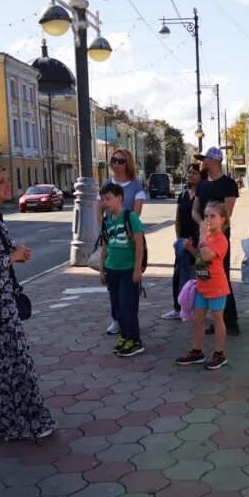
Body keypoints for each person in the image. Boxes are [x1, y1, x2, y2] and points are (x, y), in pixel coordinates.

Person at [0, 162, 54, 441]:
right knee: (11, 362)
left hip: (1, 297)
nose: (8, 185)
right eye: (1, 181)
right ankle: (20, 423)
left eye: (7, 180)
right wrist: (13, 257)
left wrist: (17, 253)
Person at [177, 202, 232, 370]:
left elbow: (207, 255)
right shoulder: (206, 237)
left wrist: (202, 237)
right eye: (206, 216)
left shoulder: (221, 239)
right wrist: (190, 249)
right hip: (202, 285)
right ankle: (197, 352)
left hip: (216, 287)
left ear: (223, 219)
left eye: (213, 216)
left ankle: (220, 354)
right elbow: (200, 258)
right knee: (198, 319)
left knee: (217, 320)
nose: (208, 219)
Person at [194, 146, 241, 336]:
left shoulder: (228, 184)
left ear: (212, 161)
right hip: (203, 238)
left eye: (203, 159)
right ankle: (217, 319)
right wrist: (202, 226)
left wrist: (212, 230)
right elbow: (195, 210)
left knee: (222, 278)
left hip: (220, 240)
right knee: (206, 276)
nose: (201, 163)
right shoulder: (203, 185)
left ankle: (231, 320)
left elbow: (226, 215)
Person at [101, 149, 145, 335]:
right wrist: (105, 225)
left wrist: (122, 219)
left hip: (128, 234)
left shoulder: (135, 185)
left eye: (120, 160)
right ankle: (117, 320)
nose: (116, 163)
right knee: (114, 290)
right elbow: (99, 210)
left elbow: (137, 212)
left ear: (128, 163)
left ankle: (130, 328)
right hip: (112, 237)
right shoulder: (106, 184)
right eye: (114, 160)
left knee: (128, 292)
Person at [99, 182, 146, 357]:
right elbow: (104, 245)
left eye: (108, 198)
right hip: (112, 270)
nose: (105, 202)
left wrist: (137, 269)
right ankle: (124, 336)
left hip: (128, 270)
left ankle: (135, 340)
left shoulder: (130, 216)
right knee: (117, 306)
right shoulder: (106, 220)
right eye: (103, 199)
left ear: (119, 198)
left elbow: (139, 245)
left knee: (128, 306)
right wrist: (101, 269)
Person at [164, 161, 205, 320]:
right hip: (184, 239)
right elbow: (178, 219)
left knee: (200, 274)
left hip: (199, 239)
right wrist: (178, 239)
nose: (190, 175)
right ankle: (177, 308)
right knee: (178, 274)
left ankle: (199, 309)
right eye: (189, 172)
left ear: (201, 176)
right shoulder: (183, 194)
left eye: (194, 172)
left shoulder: (202, 195)